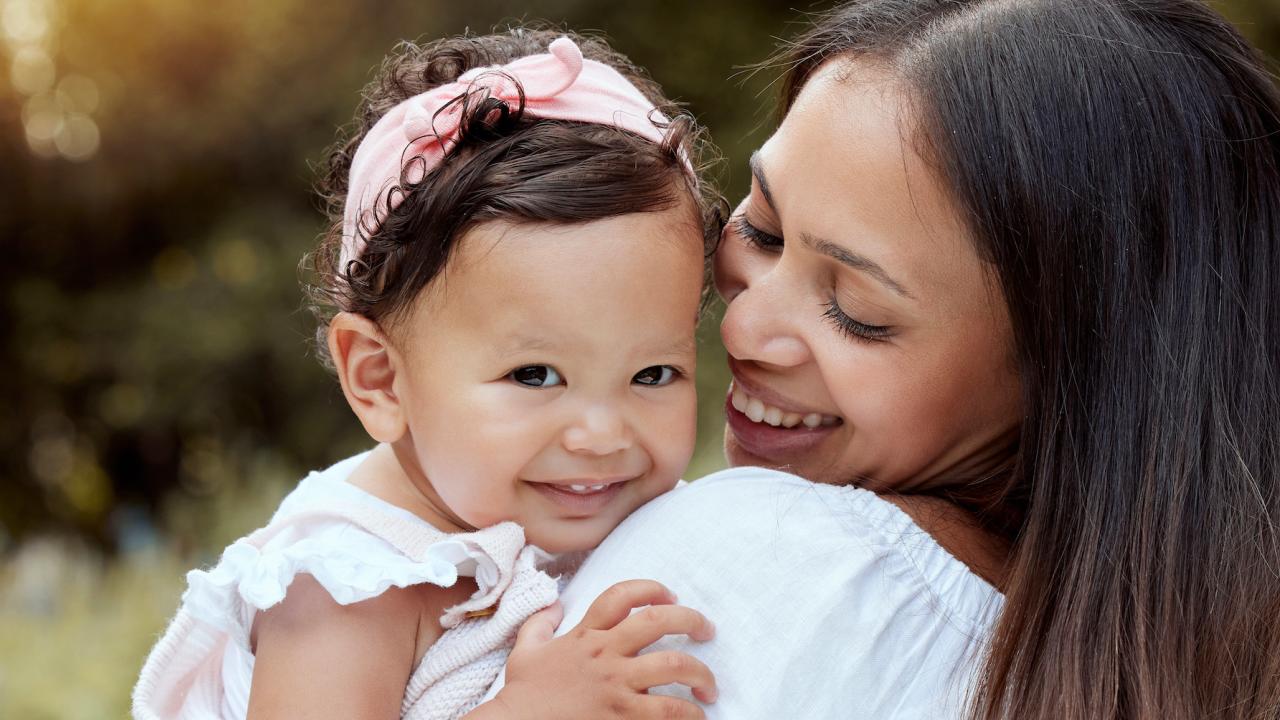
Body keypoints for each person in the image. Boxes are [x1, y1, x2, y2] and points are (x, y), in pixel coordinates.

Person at [506, 2, 1280, 718]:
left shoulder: (769, 564)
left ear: (1075, 375)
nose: (742, 328)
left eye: (859, 315)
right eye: (765, 228)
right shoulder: (1166, 669)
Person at [131, 29, 723, 720]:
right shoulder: (351, 583)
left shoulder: (596, 513)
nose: (601, 433)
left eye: (653, 373)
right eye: (535, 374)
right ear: (381, 378)